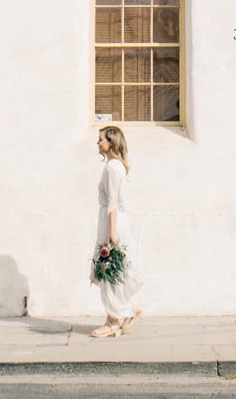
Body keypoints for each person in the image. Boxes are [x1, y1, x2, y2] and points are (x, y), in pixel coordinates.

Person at [89, 125, 145, 338]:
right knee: (117, 268)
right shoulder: (119, 166)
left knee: (109, 268)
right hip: (115, 218)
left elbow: (112, 200)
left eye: (100, 139)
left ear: (110, 142)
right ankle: (127, 309)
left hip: (112, 220)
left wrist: (111, 231)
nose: (98, 143)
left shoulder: (113, 167)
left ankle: (114, 320)